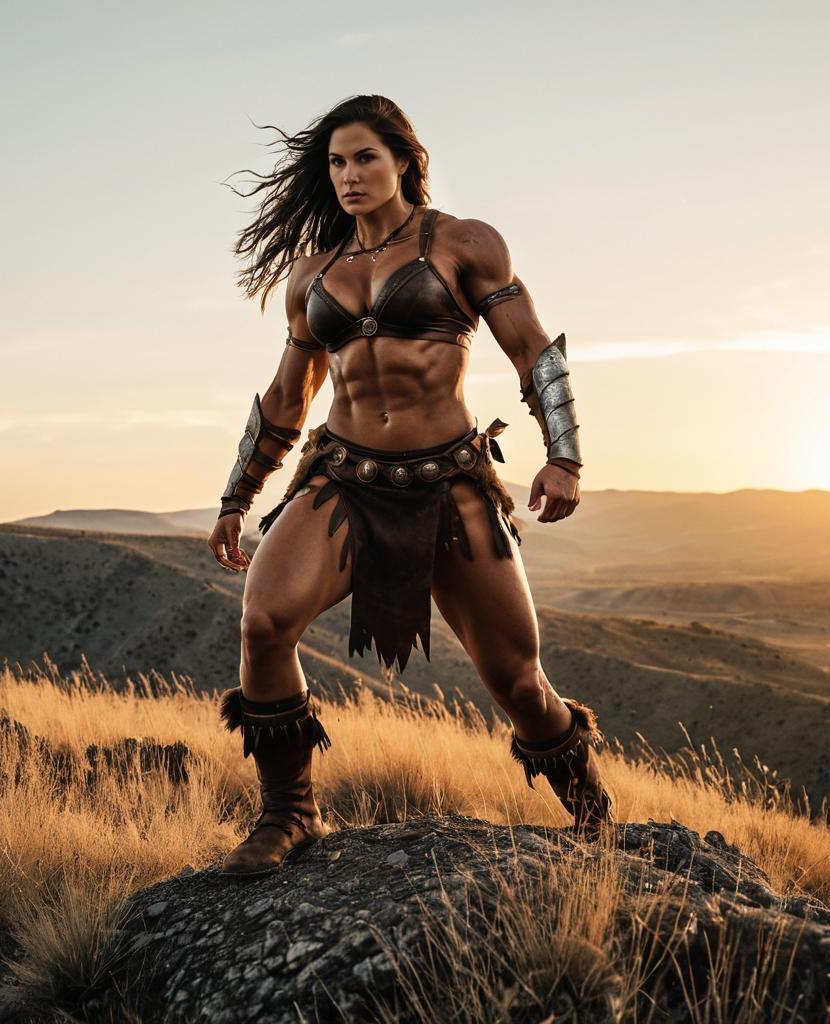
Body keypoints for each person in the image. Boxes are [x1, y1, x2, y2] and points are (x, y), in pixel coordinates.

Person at [208, 95, 614, 877]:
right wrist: (237, 498)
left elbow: (533, 350)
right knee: (263, 621)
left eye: (364, 157)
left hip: (448, 485)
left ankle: (597, 824)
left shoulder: (462, 244)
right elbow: (288, 399)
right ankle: (289, 814)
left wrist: (563, 455)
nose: (349, 175)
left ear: (402, 159)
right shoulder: (312, 277)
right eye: (335, 162)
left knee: (522, 684)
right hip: (345, 478)